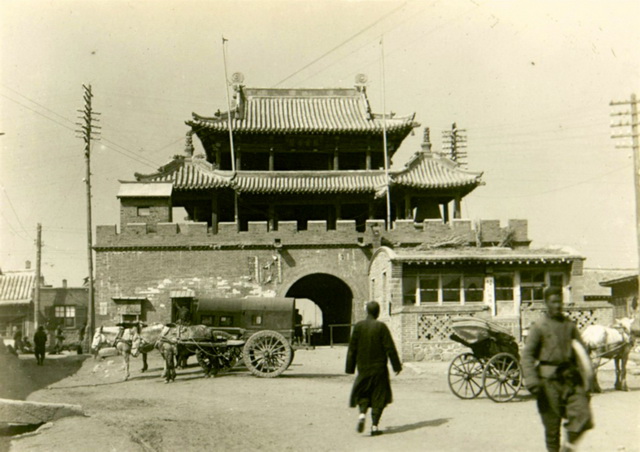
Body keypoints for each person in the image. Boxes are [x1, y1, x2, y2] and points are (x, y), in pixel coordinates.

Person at [522, 286, 593, 452]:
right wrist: (532, 380)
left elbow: (581, 353)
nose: (557, 305)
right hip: (548, 383)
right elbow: (527, 355)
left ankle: (568, 448)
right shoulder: (539, 326)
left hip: (570, 379)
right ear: (546, 303)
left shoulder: (569, 325)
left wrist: (589, 380)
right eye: (554, 302)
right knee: (552, 428)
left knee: (583, 416)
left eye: (560, 301)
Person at [346, 301, 402, 436]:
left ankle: (362, 415)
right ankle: (375, 426)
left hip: (363, 368)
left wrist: (350, 368)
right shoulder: (381, 327)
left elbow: (352, 349)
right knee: (379, 396)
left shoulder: (358, 327)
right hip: (379, 369)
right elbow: (390, 347)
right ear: (377, 312)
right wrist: (396, 366)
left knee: (364, 393)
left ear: (367, 311)